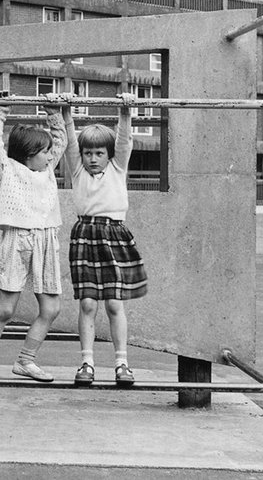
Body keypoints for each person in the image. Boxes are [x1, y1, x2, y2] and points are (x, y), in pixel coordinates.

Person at [0, 91, 68, 388]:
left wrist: (53, 112)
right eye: (44, 151)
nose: (51, 155)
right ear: (27, 154)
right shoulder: (8, 169)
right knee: (6, 309)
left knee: (51, 309)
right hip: (17, 239)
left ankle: (25, 360)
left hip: (46, 240)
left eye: (50, 152)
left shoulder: (48, 170)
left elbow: (60, 141)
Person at [62, 93, 148, 386]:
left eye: (99, 153)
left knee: (113, 303)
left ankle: (122, 363)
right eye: (89, 154)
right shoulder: (77, 170)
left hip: (113, 235)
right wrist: (66, 111)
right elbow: (70, 141)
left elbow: (123, 139)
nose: (93, 158)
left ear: (109, 155)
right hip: (85, 235)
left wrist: (126, 110)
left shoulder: (117, 167)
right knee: (87, 303)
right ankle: (86, 362)